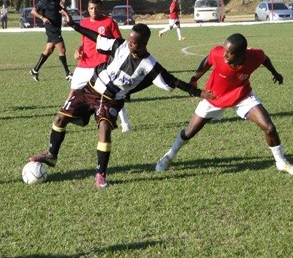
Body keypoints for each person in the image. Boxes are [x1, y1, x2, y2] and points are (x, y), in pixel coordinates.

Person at [29, 14, 214, 189]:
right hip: (90, 89)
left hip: (110, 100)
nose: (129, 43)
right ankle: (52, 155)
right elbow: (97, 37)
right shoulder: (120, 45)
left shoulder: (149, 65)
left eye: (133, 42)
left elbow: (171, 80)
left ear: (143, 44)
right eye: (129, 39)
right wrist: (74, 25)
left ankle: (101, 174)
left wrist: (197, 92)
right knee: (60, 118)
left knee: (104, 129)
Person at [155, 33, 293, 174]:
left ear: (241, 54)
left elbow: (264, 59)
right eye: (225, 50)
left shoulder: (253, 56)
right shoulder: (218, 53)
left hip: (242, 96)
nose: (225, 55)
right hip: (213, 97)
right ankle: (169, 155)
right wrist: (194, 78)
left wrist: (275, 73)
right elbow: (207, 61)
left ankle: (281, 162)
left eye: (229, 53)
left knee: (269, 128)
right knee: (189, 132)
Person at [69, 0, 132, 133]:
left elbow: (119, 44)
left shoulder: (109, 22)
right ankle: (64, 118)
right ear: (88, 9)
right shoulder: (84, 23)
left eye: (96, 8)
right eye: (91, 8)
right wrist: (78, 50)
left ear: (101, 8)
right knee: (73, 91)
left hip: (102, 66)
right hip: (84, 64)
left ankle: (125, 123)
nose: (94, 11)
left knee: (113, 95)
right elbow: (84, 42)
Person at [29, 0, 72, 82]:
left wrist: (65, 11)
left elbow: (64, 11)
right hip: (51, 29)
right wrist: (42, 18)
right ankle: (67, 74)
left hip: (57, 28)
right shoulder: (44, 2)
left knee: (49, 50)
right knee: (62, 50)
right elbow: (33, 11)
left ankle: (34, 70)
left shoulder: (58, 1)